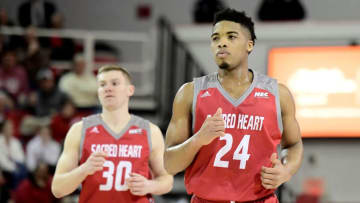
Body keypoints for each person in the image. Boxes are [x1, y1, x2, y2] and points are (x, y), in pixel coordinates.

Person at [164, 8, 303, 203]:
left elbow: (294, 144)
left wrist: (286, 170)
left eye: (231, 36)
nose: (221, 42)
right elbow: (169, 164)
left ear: (249, 45)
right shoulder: (189, 93)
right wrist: (198, 139)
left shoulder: (278, 94)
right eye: (215, 38)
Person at [51, 65, 173, 202]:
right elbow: (58, 189)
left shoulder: (150, 131)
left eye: (114, 83)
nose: (108, 88)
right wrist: (84, 169)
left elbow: (167, 180)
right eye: (102, 84)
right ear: (98, 92)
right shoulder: (79, 130)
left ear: (130, 90)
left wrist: (150, 185)